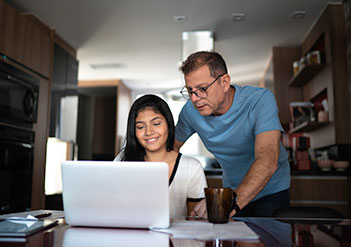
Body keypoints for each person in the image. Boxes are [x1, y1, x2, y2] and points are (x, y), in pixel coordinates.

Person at [174, 51, 291, 217]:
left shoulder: (260, 100)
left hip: (271, 190)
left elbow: (268, 158)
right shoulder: (190, 112)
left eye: (202, 88)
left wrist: (232, 202)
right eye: (190, 90)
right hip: (232, 189)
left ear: (224, 82)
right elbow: (170, 149)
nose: (194, 98)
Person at [115, 94, 207, 218]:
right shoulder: (122, 161)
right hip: (130, 235)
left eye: (156, 123)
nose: (149, 132)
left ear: (168, 125)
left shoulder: (191, 167)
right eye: (140, 127)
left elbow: (196, 221)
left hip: (174, 237)